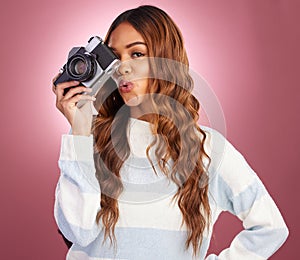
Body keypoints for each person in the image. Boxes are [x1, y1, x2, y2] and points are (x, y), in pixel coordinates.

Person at [52, 5, 288, 260]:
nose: (123, 68)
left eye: (137, 53)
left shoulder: (206, 149)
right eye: (115, 57)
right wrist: (79, 131)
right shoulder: (89, 139)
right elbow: (78, 233)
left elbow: (270, 228)